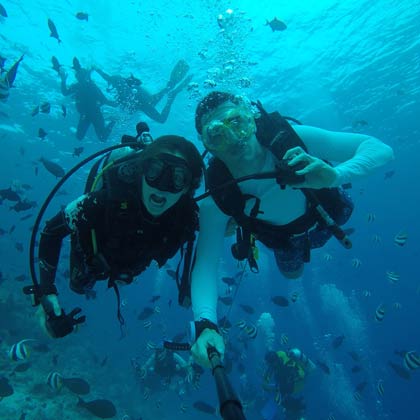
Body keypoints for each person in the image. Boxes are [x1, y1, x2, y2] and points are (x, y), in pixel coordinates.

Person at [189, 91, 394, 366]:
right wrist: (206, 325)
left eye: (237, 122)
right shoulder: (217, 192)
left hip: (327, 216)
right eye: (216, 133)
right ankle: (238, 221)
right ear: (208, 145)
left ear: (252, 119)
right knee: (292, 273)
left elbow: (379, 148)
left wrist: (336, 175)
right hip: (283, 239)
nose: (234, 138)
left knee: (344, 210)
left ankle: (238, 221)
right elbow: (205, 263)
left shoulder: (291, 138)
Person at [36, 134, 204, 338]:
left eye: (178, 178)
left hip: (133, 262)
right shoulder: (102, 201)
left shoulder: (190, 217)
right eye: (155, 171)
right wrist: (47, 293)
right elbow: (51, 232)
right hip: (96, 254)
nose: (162, 185)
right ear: (142, 171)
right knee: (79, 285)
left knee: (123, 274)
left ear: (189, 188)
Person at [94, 59, 192, 123]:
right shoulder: (120, 90)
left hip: (145, 101)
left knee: (160, 113)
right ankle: (171, 95)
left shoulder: (125, 84)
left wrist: (96, 69)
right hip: (143, 104)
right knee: (161, 118)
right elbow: (106, 78)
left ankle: (171, 94)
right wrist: (96, 69)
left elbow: (107, 77)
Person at [59, 57, 117, 141]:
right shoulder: (77, 86)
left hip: (95, 113)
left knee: (102, 138)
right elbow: (65, 92)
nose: (79, 78)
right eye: (78, 76)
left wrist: (115, 104)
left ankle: (112, 121)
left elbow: (104, 100)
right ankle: (111, 121)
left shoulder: (91, 86)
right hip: (85, 115)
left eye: (80, 76)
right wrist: (63, 80)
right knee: (80, 137)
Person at [262, 348, 315, 420]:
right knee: (280, 391)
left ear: (274, 362)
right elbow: (269, 372)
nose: (269, 367)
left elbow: (301, 375)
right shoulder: (278, 356)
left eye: (270, 364)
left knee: (283, 397)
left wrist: (270, 387)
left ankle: (298, 411)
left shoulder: (288, 365)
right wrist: (266, 380)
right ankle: (295, 408)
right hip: (288, 384)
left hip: (296, 385)